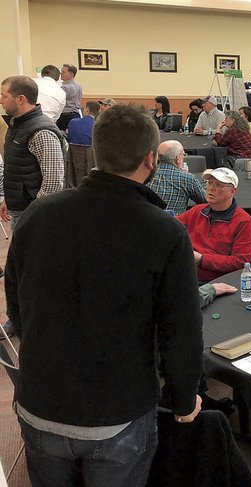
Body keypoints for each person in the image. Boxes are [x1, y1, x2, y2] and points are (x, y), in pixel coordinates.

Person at [6, 103, 204, 486]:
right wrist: (183, 399)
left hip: (39, 402)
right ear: (150, 160)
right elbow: (180, 328)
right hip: (119, 416)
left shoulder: (36, 215)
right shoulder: (164, 231)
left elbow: (17, 303)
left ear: (95, 151)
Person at [1, 76, 65, 233]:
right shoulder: (16, 125)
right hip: (21, 210)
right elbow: (16, 168)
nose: (1, 101)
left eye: (4, 96)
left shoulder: (41, 132)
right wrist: (9, 200)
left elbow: (53, 183)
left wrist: (35, 214)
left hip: (35, 216)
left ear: (21, 99)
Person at [177, 167, 251, 283]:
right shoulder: (197, 211)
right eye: (209, 183)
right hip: (186, 275)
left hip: (219, 282)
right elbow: (172, 227)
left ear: (232, 192)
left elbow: (240, 262)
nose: (211, 188)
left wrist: (201, 259)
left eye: (218, 185)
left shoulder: (243, 221)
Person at [148, 140, 207, 215]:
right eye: (183, 154)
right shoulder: (187, 178)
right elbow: (206, 201)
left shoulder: (146, 174)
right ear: (178, 158)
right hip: (173, 224)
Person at [65, 101, 100, 187]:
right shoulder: (97, 125)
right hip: (90, 160)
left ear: (87, 109)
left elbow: (68, 136)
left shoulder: (73, 122)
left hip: (72, 158)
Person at [56, 63, 82, 130]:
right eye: (61, 71)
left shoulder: (66, 87)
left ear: (71, 74)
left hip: (66, 117)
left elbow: (57, 100)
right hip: (75, 115)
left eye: (63, 72)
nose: (61, 74)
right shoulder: (78, 85)